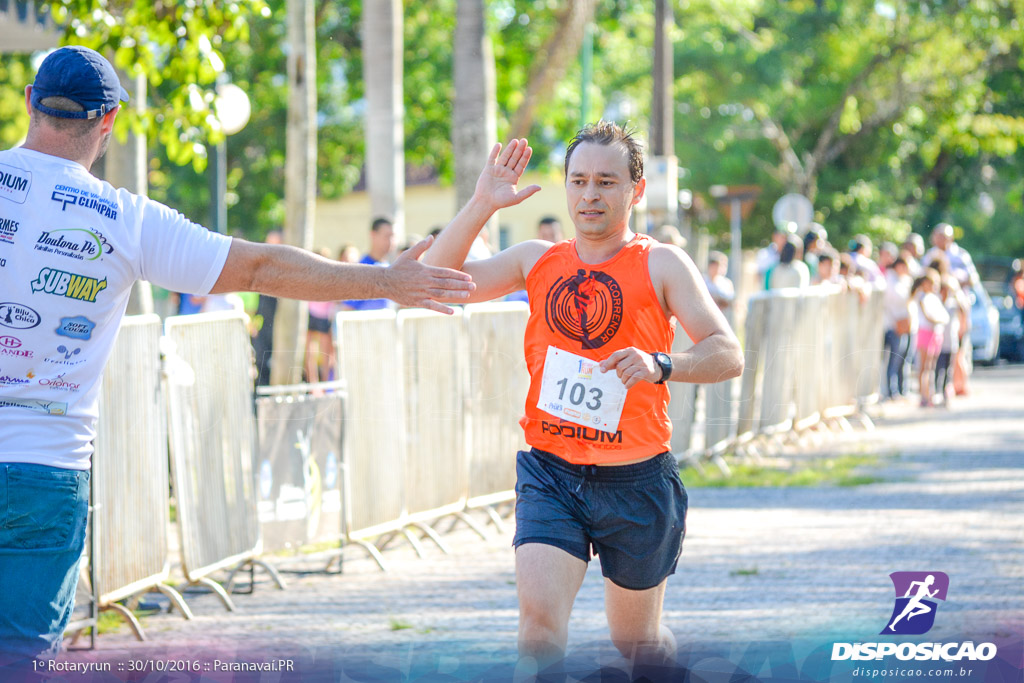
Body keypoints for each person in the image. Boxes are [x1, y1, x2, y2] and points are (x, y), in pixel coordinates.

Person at [0, 46, 475, 662]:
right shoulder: (123, 219)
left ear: (31, 102)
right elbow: (261, 265)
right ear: (110, 121)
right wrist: (383, 281)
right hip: (47, 471)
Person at [422, 123, 744, 673]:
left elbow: (727, 353)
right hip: (552, 474)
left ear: (634, 191)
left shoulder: (661, 263)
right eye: (579, 181)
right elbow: (433, 278)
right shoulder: (536, 260)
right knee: (538, 629)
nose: (590, 195)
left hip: (636, 481)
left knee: (636, 644)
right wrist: (481, 204)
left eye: (606, 182)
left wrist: (661, 364)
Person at [342, 217, 397, 311]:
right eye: (387, 236)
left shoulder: (390, 267)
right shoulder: (361, 270)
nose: (391, 241)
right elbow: (347, 309)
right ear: (373, 235)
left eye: (393, 236)